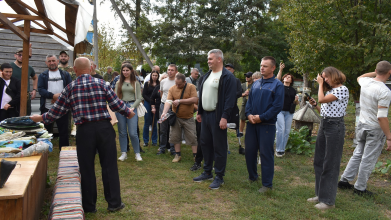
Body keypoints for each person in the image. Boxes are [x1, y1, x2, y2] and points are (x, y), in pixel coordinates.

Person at [30, 57, 134, 213]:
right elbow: (116, 104)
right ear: (91, 68)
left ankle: (89, 206)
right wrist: (128, 112)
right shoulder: (102, 84)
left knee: (86, 168)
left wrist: (40, 118)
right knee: (109, 166)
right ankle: (114, 203)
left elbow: (56, 112)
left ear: (75, 70)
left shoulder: (70, 87)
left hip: (84, 131)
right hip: (104, 129)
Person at [338, 61, 391, 197]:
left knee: (358, 153)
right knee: (368, 158)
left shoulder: (366, 82)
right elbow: (382, 117)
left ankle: (344, 180)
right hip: (375, 129)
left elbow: (360, 76)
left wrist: (377, 72)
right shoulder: (384, 91)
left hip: (361, 125)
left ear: (376, 70)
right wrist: (389, 137)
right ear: (389, 72)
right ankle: (360, 188)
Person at [193, 49, 237, 190]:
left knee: (219, 146)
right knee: (205, 143)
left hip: (218, 116)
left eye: (211, 59)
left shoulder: (227, 77)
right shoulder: (206, 76)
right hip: (205, 115)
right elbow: (202, 95)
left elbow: (230, 100)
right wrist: (199, 111)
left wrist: (224, 117)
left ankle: (219, 176)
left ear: (219, 59)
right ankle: (207, 172)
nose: (208, 61)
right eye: (208, 58)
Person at [306, 67, 349, 210]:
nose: (324, 80)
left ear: (333, 75)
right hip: (325, 123)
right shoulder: (330, 90)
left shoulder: (342, 89)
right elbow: (324, 108)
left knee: (330, 163)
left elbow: (322, 99)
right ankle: (320, 195)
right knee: (319, 161)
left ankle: (328, 201)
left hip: (334, 127)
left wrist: (319, 85)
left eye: (326, 77)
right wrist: (315, 106)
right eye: (323, 78)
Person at [245, 56, 284, 193]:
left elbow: (277, 107)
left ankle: (267, 185)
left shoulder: (277, 85)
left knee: (266, 154)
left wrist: (261, 117)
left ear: (273, 68)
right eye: (261, 65)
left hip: (266, 125)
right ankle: (252, 176)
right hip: (251, 124)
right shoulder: (255, 84)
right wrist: (248, 115)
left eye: (265, 66)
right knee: (249, 151)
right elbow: (249, 102)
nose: (262, 68)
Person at [161, 73, 198, 162]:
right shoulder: (172, 89)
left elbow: (195, 99)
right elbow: (168, 101)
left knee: (192, 137)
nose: (177, 86)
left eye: (179, 84)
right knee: (175, 137)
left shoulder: (191, 87)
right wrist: (164, 113)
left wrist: (180, 101)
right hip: (176, 117)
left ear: (184, 82)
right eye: (176, 83)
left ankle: (196, 156)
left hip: (188, 117)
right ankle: (178, 155)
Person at [38, 55, 72, 151]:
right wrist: (52, 96)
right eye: (49, 61)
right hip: (47, 108)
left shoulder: (65, 74)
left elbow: (70, 88)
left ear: (57, 61)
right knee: (46, 131)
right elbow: (40, 90)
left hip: (62, 108)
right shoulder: (43, 75)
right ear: (46, 63)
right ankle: (45, 150)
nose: (52, 63)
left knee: (63, 131)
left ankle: (64, 150)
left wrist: (59, 98)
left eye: (53, 60)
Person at [115, 64, 143, 162]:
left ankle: (137, 153)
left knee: (133, 133)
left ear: (131, 71)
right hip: (121, 108)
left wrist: (131, 108)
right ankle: (124, 153)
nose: (125, 72)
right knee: (122, 132)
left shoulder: (136, 83)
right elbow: (115, 98)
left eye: (127, 70)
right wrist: (121, 107)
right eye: (123, 70)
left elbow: (139, 98)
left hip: (132, 107)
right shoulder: (118, 82)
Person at [275, 63, 299, 157]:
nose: (287, 78)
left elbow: (295, 103)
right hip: (279, 111)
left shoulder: (293, 90)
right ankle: (278, 149)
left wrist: (296, 100)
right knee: (281, 129)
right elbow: (277, 79)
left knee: (287, 131)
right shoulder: (279, 86)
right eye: (286, 77)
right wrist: (280, 69)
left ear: (291, 80)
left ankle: (282, 149)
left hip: (289, 112)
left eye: (289, 77)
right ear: (283, 78)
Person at [10, 48, 38, 115]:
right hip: (13, 95)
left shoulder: (29, 68)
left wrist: (34, 90)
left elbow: (35, 78)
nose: (21, 57)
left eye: (24, 55)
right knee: (12, 115)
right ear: (15, 55)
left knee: (26, 116)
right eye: (19, 55)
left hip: (26, 96)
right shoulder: (10, 66)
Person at [157, 65, 177, 155]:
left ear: (176, 72)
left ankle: (173, 149)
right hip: (163, 106)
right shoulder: (163, 81)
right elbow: (162, 93)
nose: (170, 72)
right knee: (163, 128)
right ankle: (162, 148)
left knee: (173, 128)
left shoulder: (178, 82)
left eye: (172, 70)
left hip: (174, 108)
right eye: (168, 70)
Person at [142, 70, 160, 146]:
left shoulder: (160, 84)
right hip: (147, 103)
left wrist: (156, 102)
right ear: (151, 76)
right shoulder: (147, 84)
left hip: (157, 104)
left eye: (156, 75)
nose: (154, 77)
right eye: (153, 75)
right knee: (147, 122)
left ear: (158, 76)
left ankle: (154, 141)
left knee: (154, 122)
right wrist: (151, 101)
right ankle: (146, 141)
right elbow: (144, 94)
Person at [238, 71, 254, 154]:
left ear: (252, 77)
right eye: (246, 76)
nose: (246, 77)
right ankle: (241, 132)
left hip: (252, 105)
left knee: (250, 119)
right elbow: (238, 94)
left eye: (248, 76)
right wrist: (244, 94)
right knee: (242, 118)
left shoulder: (255, 84)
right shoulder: (243, 85)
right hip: (245, 104)